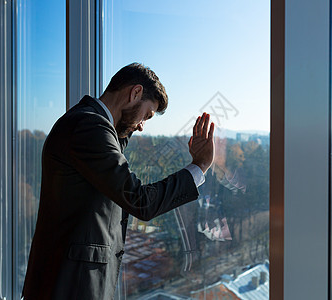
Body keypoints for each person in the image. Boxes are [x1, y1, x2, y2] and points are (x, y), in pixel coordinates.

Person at [22, 63, 215, 299]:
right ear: (135, 93)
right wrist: (199, 166)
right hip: (71, 284)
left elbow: (112, 155)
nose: (142, 126)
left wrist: (129, 122)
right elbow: (140, 200)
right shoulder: (89, 126)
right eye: (147, 115)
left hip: (66, 279)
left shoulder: (84, 121)